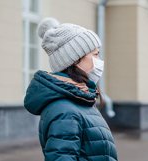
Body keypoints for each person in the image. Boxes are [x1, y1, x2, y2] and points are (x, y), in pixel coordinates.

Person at [24, 17, 118, 161]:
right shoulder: (65, 111)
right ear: (74, 59)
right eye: (95, 54)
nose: (99, 61)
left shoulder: (80, 100)